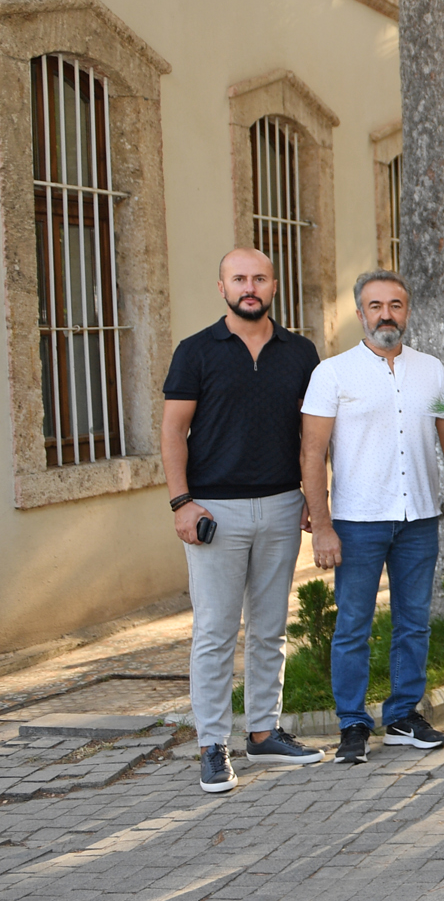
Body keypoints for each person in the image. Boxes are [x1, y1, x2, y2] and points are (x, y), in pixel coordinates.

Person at [163, 248, 325, 794]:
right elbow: (172, 431)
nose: (249, 287)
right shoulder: (195, 351)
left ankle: (263, 733)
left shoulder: (301, 352)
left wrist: (313, 497)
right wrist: (181, 502)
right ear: (222, 287)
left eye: (259, 278)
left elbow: (312, 435)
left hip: (281, 504)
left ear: (274, 285)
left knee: (270, 627)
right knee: (214, 631)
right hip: (215, 509)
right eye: (239, 279)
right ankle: (212, 745)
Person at [302, 271, 444, 766]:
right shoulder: (333, 373)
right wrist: (322, 527)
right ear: (360, 313)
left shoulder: (432, 370)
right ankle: (352, 723)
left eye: (395, 305)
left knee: (413, 624)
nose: (386, 315)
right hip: (357, 522)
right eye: (375, 306)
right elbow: (312, 453)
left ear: (407, 311)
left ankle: (402, 716)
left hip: (419, 518)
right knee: (353, 626)